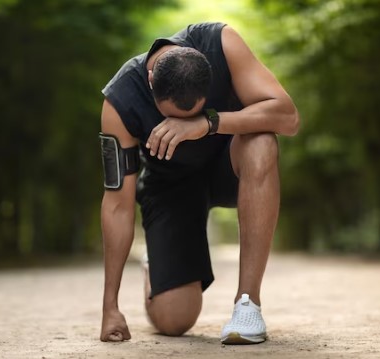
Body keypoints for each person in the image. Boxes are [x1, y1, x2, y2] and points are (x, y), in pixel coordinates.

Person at [99, 22, 299, 345]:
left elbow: (288, 117)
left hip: (227, 163)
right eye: (173, 117)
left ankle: (247, 305)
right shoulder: (120, 101)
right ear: (151, 83)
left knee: (262, 141)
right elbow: (117, 205)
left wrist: (207, 123)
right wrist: (110, 306)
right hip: (169, 188)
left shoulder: (222, 44)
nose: (181, 124)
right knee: (175, 319)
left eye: (189, 114)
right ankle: (157, 266)